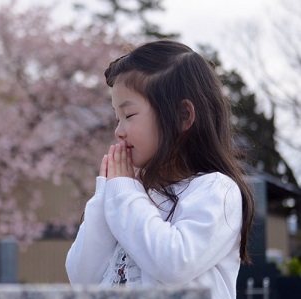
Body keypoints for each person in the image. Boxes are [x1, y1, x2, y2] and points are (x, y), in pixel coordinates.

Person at [65, 40, 255, 299]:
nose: (118, 131)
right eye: (116, 118)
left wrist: (123, 193)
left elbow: (174, 264)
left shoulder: (216, 190)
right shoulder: (128, 191)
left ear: (183, 116)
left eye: (129, 115)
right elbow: (82, 278)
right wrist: (107, 194)